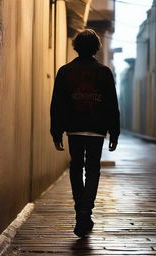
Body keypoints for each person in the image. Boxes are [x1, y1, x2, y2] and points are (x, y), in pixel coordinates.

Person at [50, 29, 120, 238]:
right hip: (97, 130)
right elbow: (111, 105)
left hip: (74, 128)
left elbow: (58, 104)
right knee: (92, 169)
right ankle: (85, 211)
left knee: (75, 167)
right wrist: (114, 132)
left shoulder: (65, 71)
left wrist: (56, 131)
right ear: (97, 48)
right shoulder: (104, 72)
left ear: (76, 46)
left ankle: (80, 210)